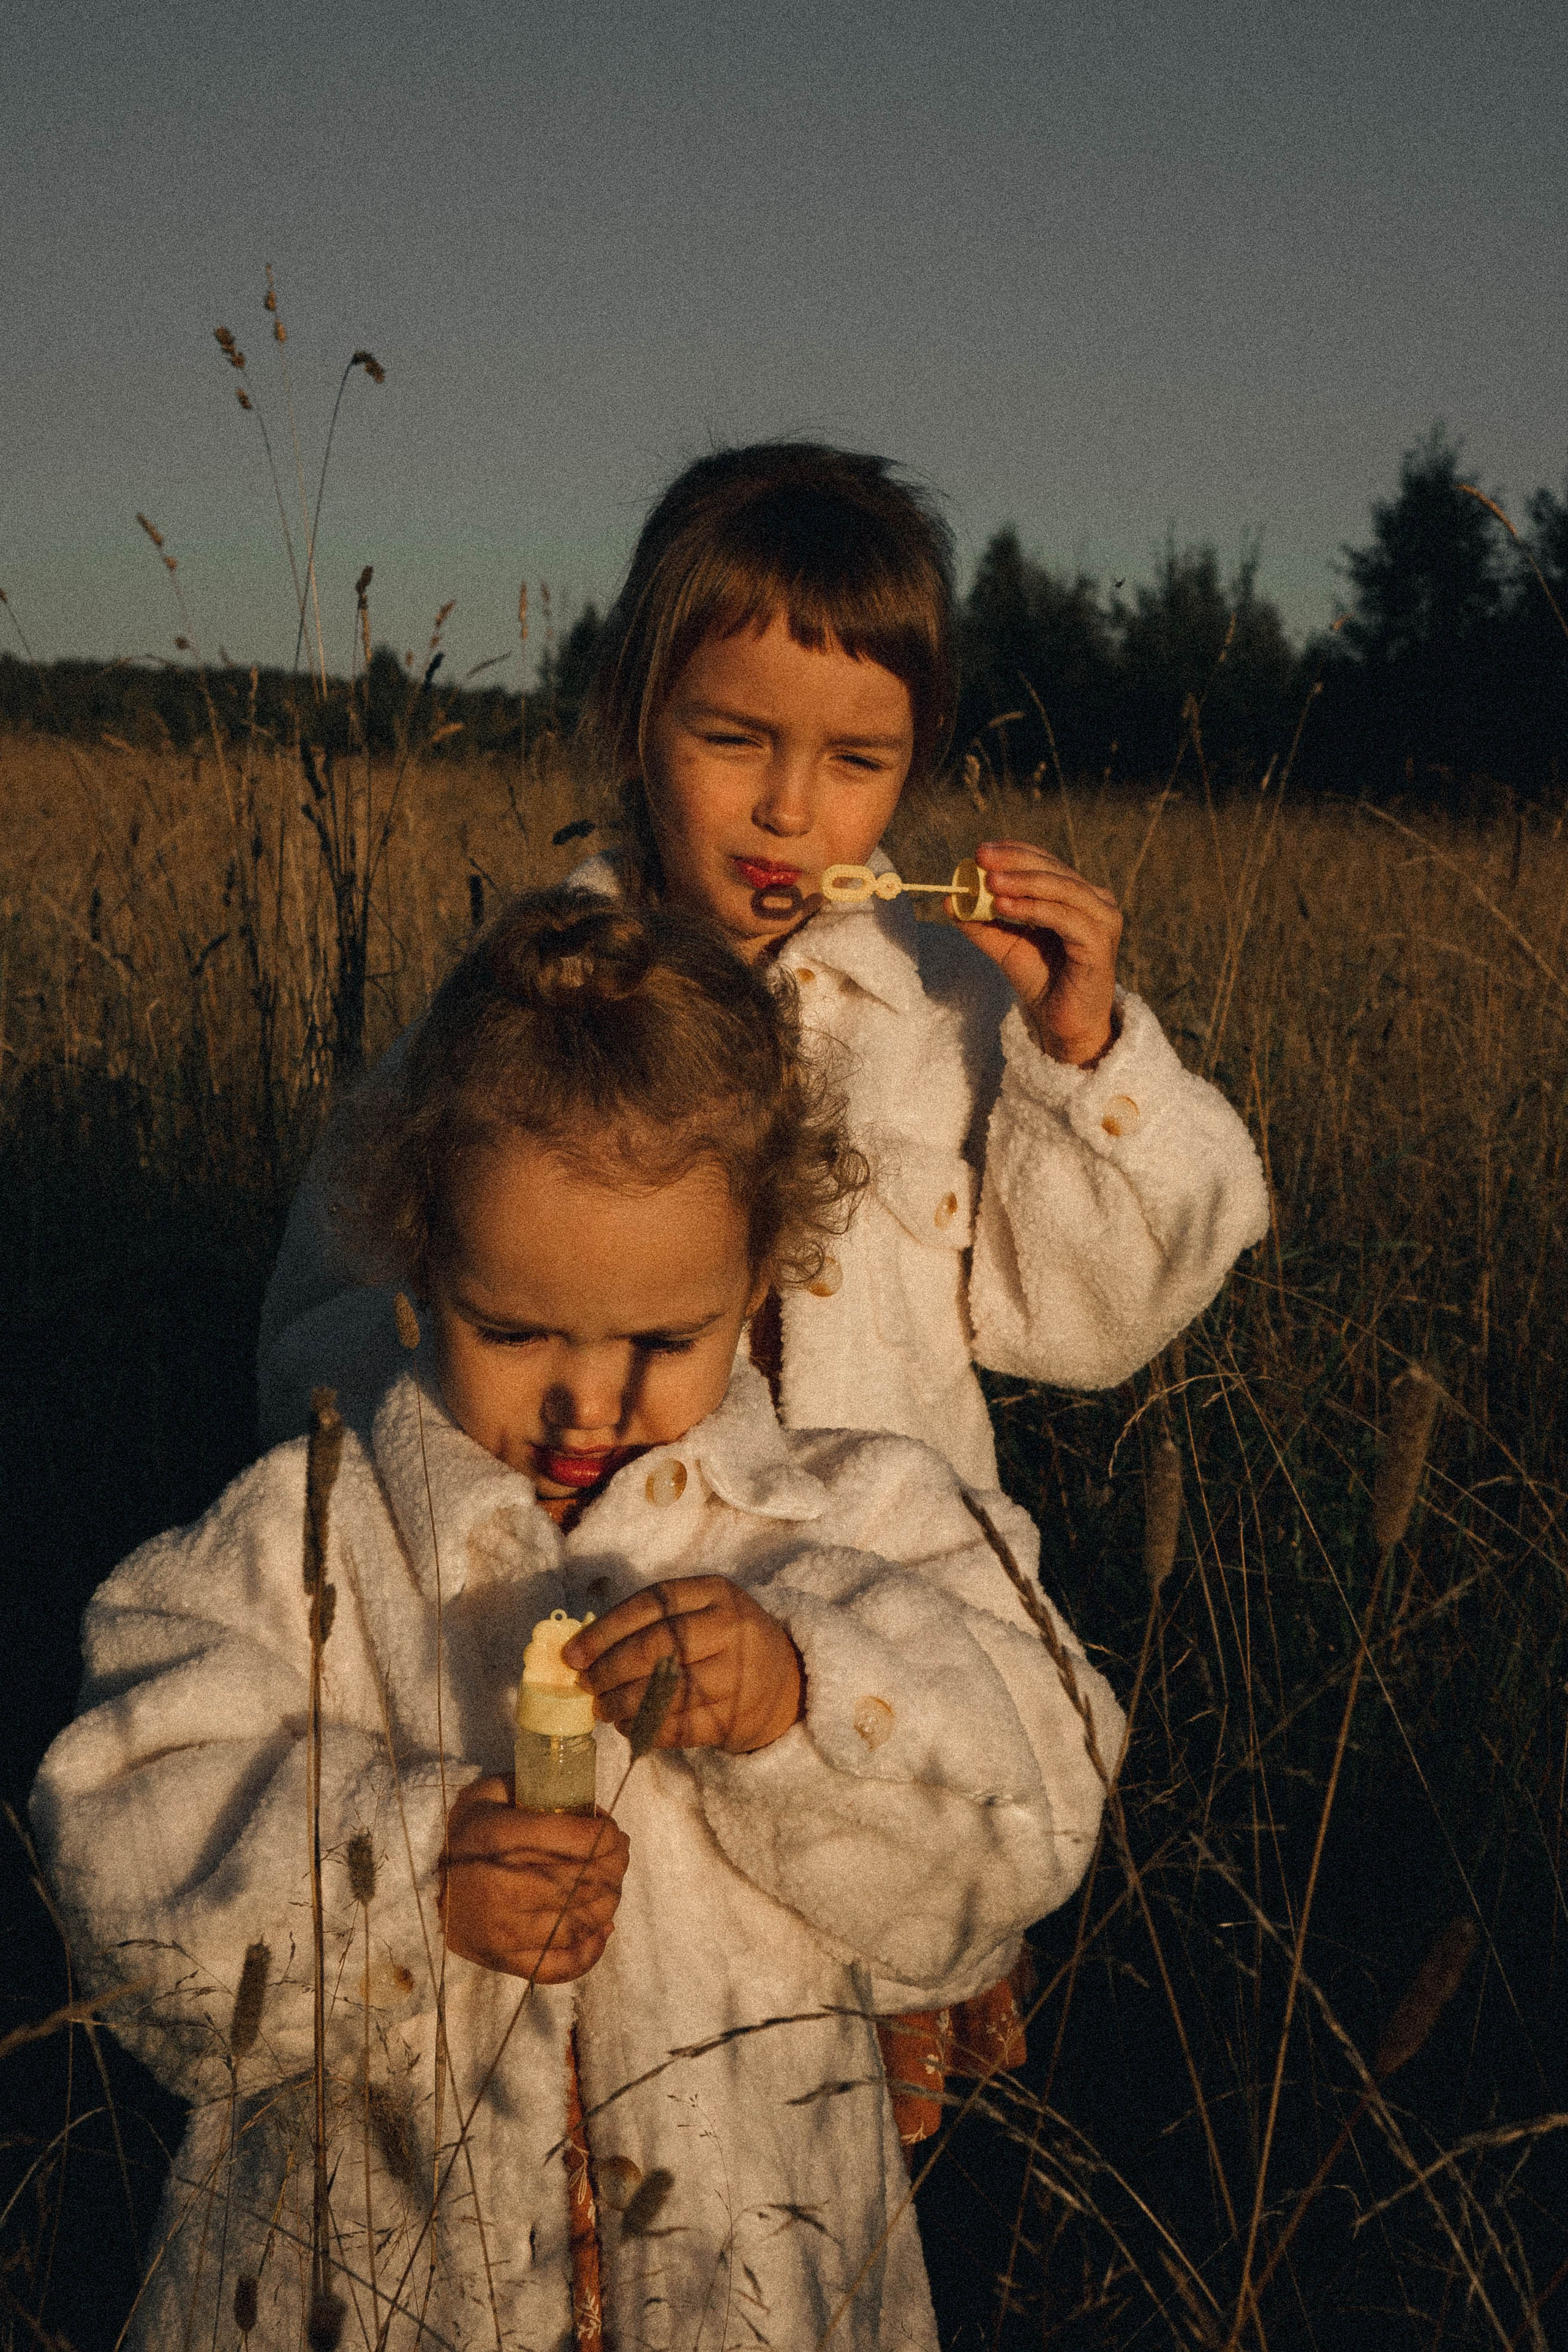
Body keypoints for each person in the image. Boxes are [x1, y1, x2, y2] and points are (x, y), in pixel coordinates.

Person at [32, 893, 1124, 2352]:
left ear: (757, 1281)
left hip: (752, 2288)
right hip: (367, 2288)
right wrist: (400, 1874)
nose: (586, 1401)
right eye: (518, 1330)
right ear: (416, 1271)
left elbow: (1038, 1804)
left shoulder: (849, 1524)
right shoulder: (311, 1541)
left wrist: (808, 1691)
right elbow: (115, 1835)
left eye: (664, 1341)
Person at [258, 441, 1270, 1487]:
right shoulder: (522, 1006)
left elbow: (1102, 1322)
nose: (788, 809)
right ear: (633, 718)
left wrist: (1080, 1052)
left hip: (888, 1593)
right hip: (592, 1601)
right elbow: (320, 1342)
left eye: (855, 761)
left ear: (913, 764)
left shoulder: (954, 1016)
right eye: (737, 739)